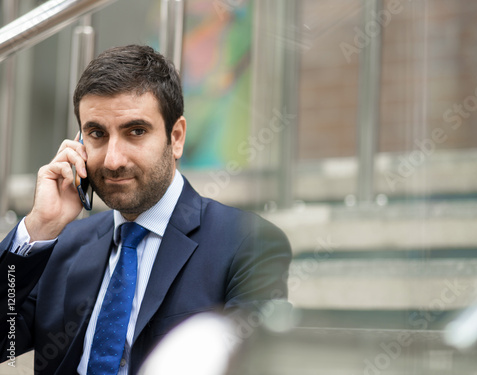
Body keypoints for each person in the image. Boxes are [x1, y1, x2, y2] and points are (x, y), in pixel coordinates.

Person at [0, 45, 291, 375]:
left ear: (176, 137)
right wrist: (38, 228)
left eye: (135, 131)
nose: (113, 160)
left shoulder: (247, 243)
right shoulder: (60, 245)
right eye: (97, 133)